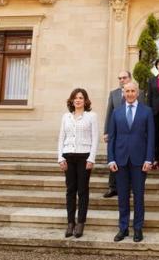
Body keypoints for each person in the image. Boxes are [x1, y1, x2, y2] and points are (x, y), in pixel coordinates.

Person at [107, 82, 155, 243]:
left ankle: (138, 228)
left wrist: (149, 159)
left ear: (137, 93)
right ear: (123, 93)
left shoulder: (147, 112)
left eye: (132, 91)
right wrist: (111, 159)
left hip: (139, 161)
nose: (130, 94)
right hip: (120, 160)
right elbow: (112, 138)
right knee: (122, 196)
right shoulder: (117, 112)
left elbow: (151, 138)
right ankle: (123, 228)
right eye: (127, 91)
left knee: (139, 196)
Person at [57, 88, 99, 239]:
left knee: (82, 190)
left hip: (84, 157)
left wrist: (91, 158)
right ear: (72, 100)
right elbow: (61, 138)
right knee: (70, 190)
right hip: (68, 156)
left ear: (85, 100)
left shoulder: (91, 116)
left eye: (81, 97)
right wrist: (60, 158)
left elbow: (95, 138)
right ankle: (70, 223)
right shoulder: (66, 117)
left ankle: (80, 222)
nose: (78, 100)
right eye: (75, 98)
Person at [103, 70, 145, 198]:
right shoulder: (114, 94)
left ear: (130, 78)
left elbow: (143, 113)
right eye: (119, 78)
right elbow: (109, 113)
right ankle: (113, 187)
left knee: (131, 161)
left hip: (133, 134)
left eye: (124, 77)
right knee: (114, 159)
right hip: (117, 134)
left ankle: (131, 188)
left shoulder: (140, 93)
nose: (122, 80)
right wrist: (106, 131)